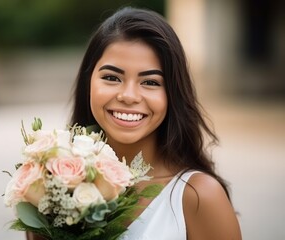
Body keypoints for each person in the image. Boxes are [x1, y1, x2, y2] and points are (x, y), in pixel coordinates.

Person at [27, 6, 242, 240]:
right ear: (88, 82)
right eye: (111, 78)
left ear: (173, 93)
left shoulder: (198, 196)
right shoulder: (50, 187)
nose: (129, 96)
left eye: (150, 82)